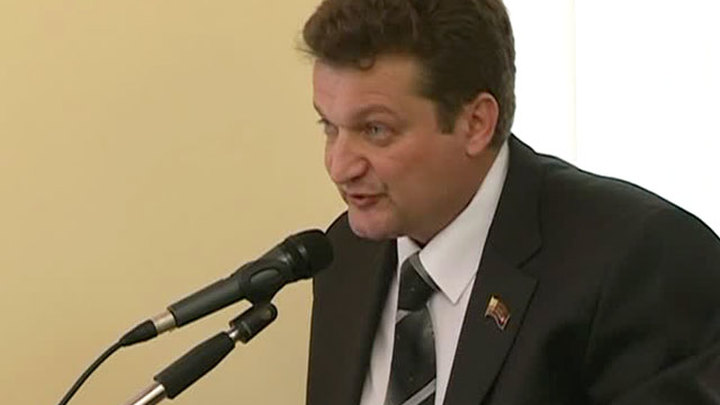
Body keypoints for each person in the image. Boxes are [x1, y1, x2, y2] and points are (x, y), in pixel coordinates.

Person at [301, 0, 720, 404]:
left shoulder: (638, 260)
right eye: (329, 126)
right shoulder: (345, 255)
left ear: (476, 123)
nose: (338, 166)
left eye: (375, 130)